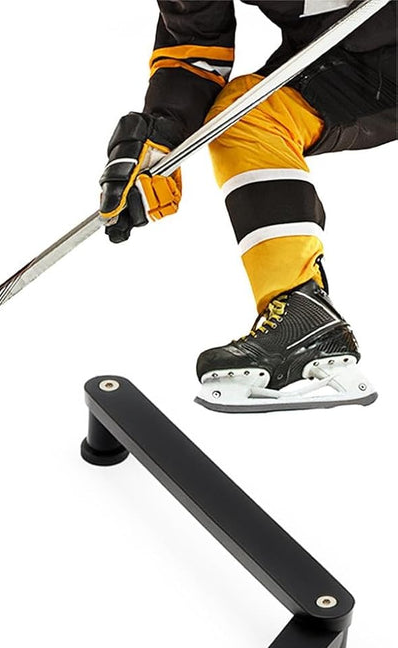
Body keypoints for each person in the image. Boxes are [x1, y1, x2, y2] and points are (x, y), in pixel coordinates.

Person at [99, 0, 396, 412]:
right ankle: (304, 318)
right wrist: (161, 137)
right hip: (350, 61)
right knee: (245, 113)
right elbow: (195, 46)